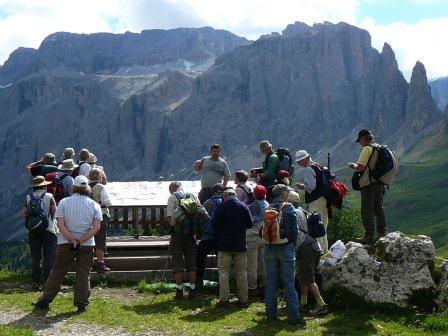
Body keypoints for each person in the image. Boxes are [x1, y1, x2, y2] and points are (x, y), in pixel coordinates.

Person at [33, 175, 102, 312]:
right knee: (83, 273)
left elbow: (60, 224)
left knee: (58, 271)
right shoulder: (94, 205)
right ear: (87, 187)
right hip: (87, 244)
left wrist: (71, 239)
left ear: (74, 187)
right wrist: (81, 240)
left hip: (65, 242)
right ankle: (81, 303)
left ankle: (45, 300)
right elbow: (96, 227)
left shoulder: (64, 202)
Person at [263, 184, 304, 326]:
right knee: (289, 283)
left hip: (269, 248)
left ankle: (270, 314)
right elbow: (294, 230)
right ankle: (293, 317)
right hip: (285, 248)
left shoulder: (267, 207)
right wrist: (292, 245)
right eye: (287, 192)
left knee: (271, 283)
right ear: (283, 194)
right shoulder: (288, 207)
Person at [288, 191, 328, 316]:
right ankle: (303, 303)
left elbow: (298, 235)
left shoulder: (293, 213)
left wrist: (292, 251)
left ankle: (321, 304)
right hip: (314, 246)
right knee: (303, 276)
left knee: (309, 278)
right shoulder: (303, 211)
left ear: (288, 201)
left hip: (305, 248)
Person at [211, 187, 252, 307]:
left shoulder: (221, 207)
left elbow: (214, 225)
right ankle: (243, 299)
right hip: (240, 244)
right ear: (235, 195)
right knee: (241, 272)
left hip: (224, 245)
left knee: (223, 273)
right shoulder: (243, 206)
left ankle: (224, 299)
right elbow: (249, 224)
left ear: (224, 196)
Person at [348, 129, 387, 244]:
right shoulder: (379, 148)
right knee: (379, 208)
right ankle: (382, 233)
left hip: (368, 183)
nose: (360, 143)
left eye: (360, 140)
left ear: (363, 139)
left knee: (367, 209)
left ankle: (369, 236)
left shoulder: (367, 149)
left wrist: (353, 165)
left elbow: (361, 167)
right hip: (379, 183)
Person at [166, 181, 201, 300]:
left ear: (172, 189)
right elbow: (199, 213)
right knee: (191, 263)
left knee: (177, 263)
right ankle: (192, 290)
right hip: (191, 234)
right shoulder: (193, 196)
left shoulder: (172, 198)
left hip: (177, 235)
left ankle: (179, 291)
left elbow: (170, 220)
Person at [23, 176, 57, 290]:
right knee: (48, 256)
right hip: (49, 229)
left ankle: (35, 282)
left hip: (33, 230)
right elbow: (54, 212)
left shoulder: (28, 197)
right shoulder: (49, 196)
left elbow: (24, 214)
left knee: (36, 256)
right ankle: (47, 281)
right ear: (45, 185)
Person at [295, 150, 330, 253]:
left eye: (299, 161)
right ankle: (326, 250)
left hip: (315, 200)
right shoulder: (318, 166)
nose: (298, 163)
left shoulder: (308, 169)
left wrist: (301, 186)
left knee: (316, 225)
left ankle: (320, 252)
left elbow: (311, 187)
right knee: (323, 225)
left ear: (304, 159)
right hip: (324, 199)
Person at [196, 183, 223, 287]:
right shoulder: (224, 201)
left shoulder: (208, 202)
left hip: (207, 236)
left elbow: (201, 215)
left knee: (200, 257)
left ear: (212, 191)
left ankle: (199, 280)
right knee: (220, 259)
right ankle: (222, 281)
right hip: (220, 236)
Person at [89, 168, 112, 273]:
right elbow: (107, 202)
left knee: (89, 240)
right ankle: (100, 263)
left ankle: (88, 263)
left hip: (88, 217)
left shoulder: (86, 187)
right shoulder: (101, 187)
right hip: (101, 216)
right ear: (100, 177)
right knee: (100, 240)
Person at [247, 184, 268, 299]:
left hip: (252, 237)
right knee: (264, 263)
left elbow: (249, 221)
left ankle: (252, 288)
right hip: (264, 236)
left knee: (252, 264)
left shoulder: (251, 207)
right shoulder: (268, 205)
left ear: (255, 194)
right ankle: (264, 286)